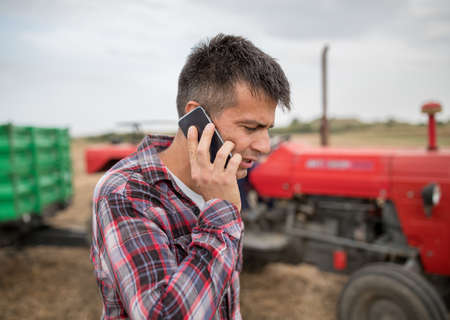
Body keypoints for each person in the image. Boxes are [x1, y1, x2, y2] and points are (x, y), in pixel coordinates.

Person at [90, 33, 291, 320]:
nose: (264, 146)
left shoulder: (220, 181)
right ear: (197, 118)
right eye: (250, 127)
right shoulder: (125, 192)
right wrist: (221, 217)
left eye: (268, 128)